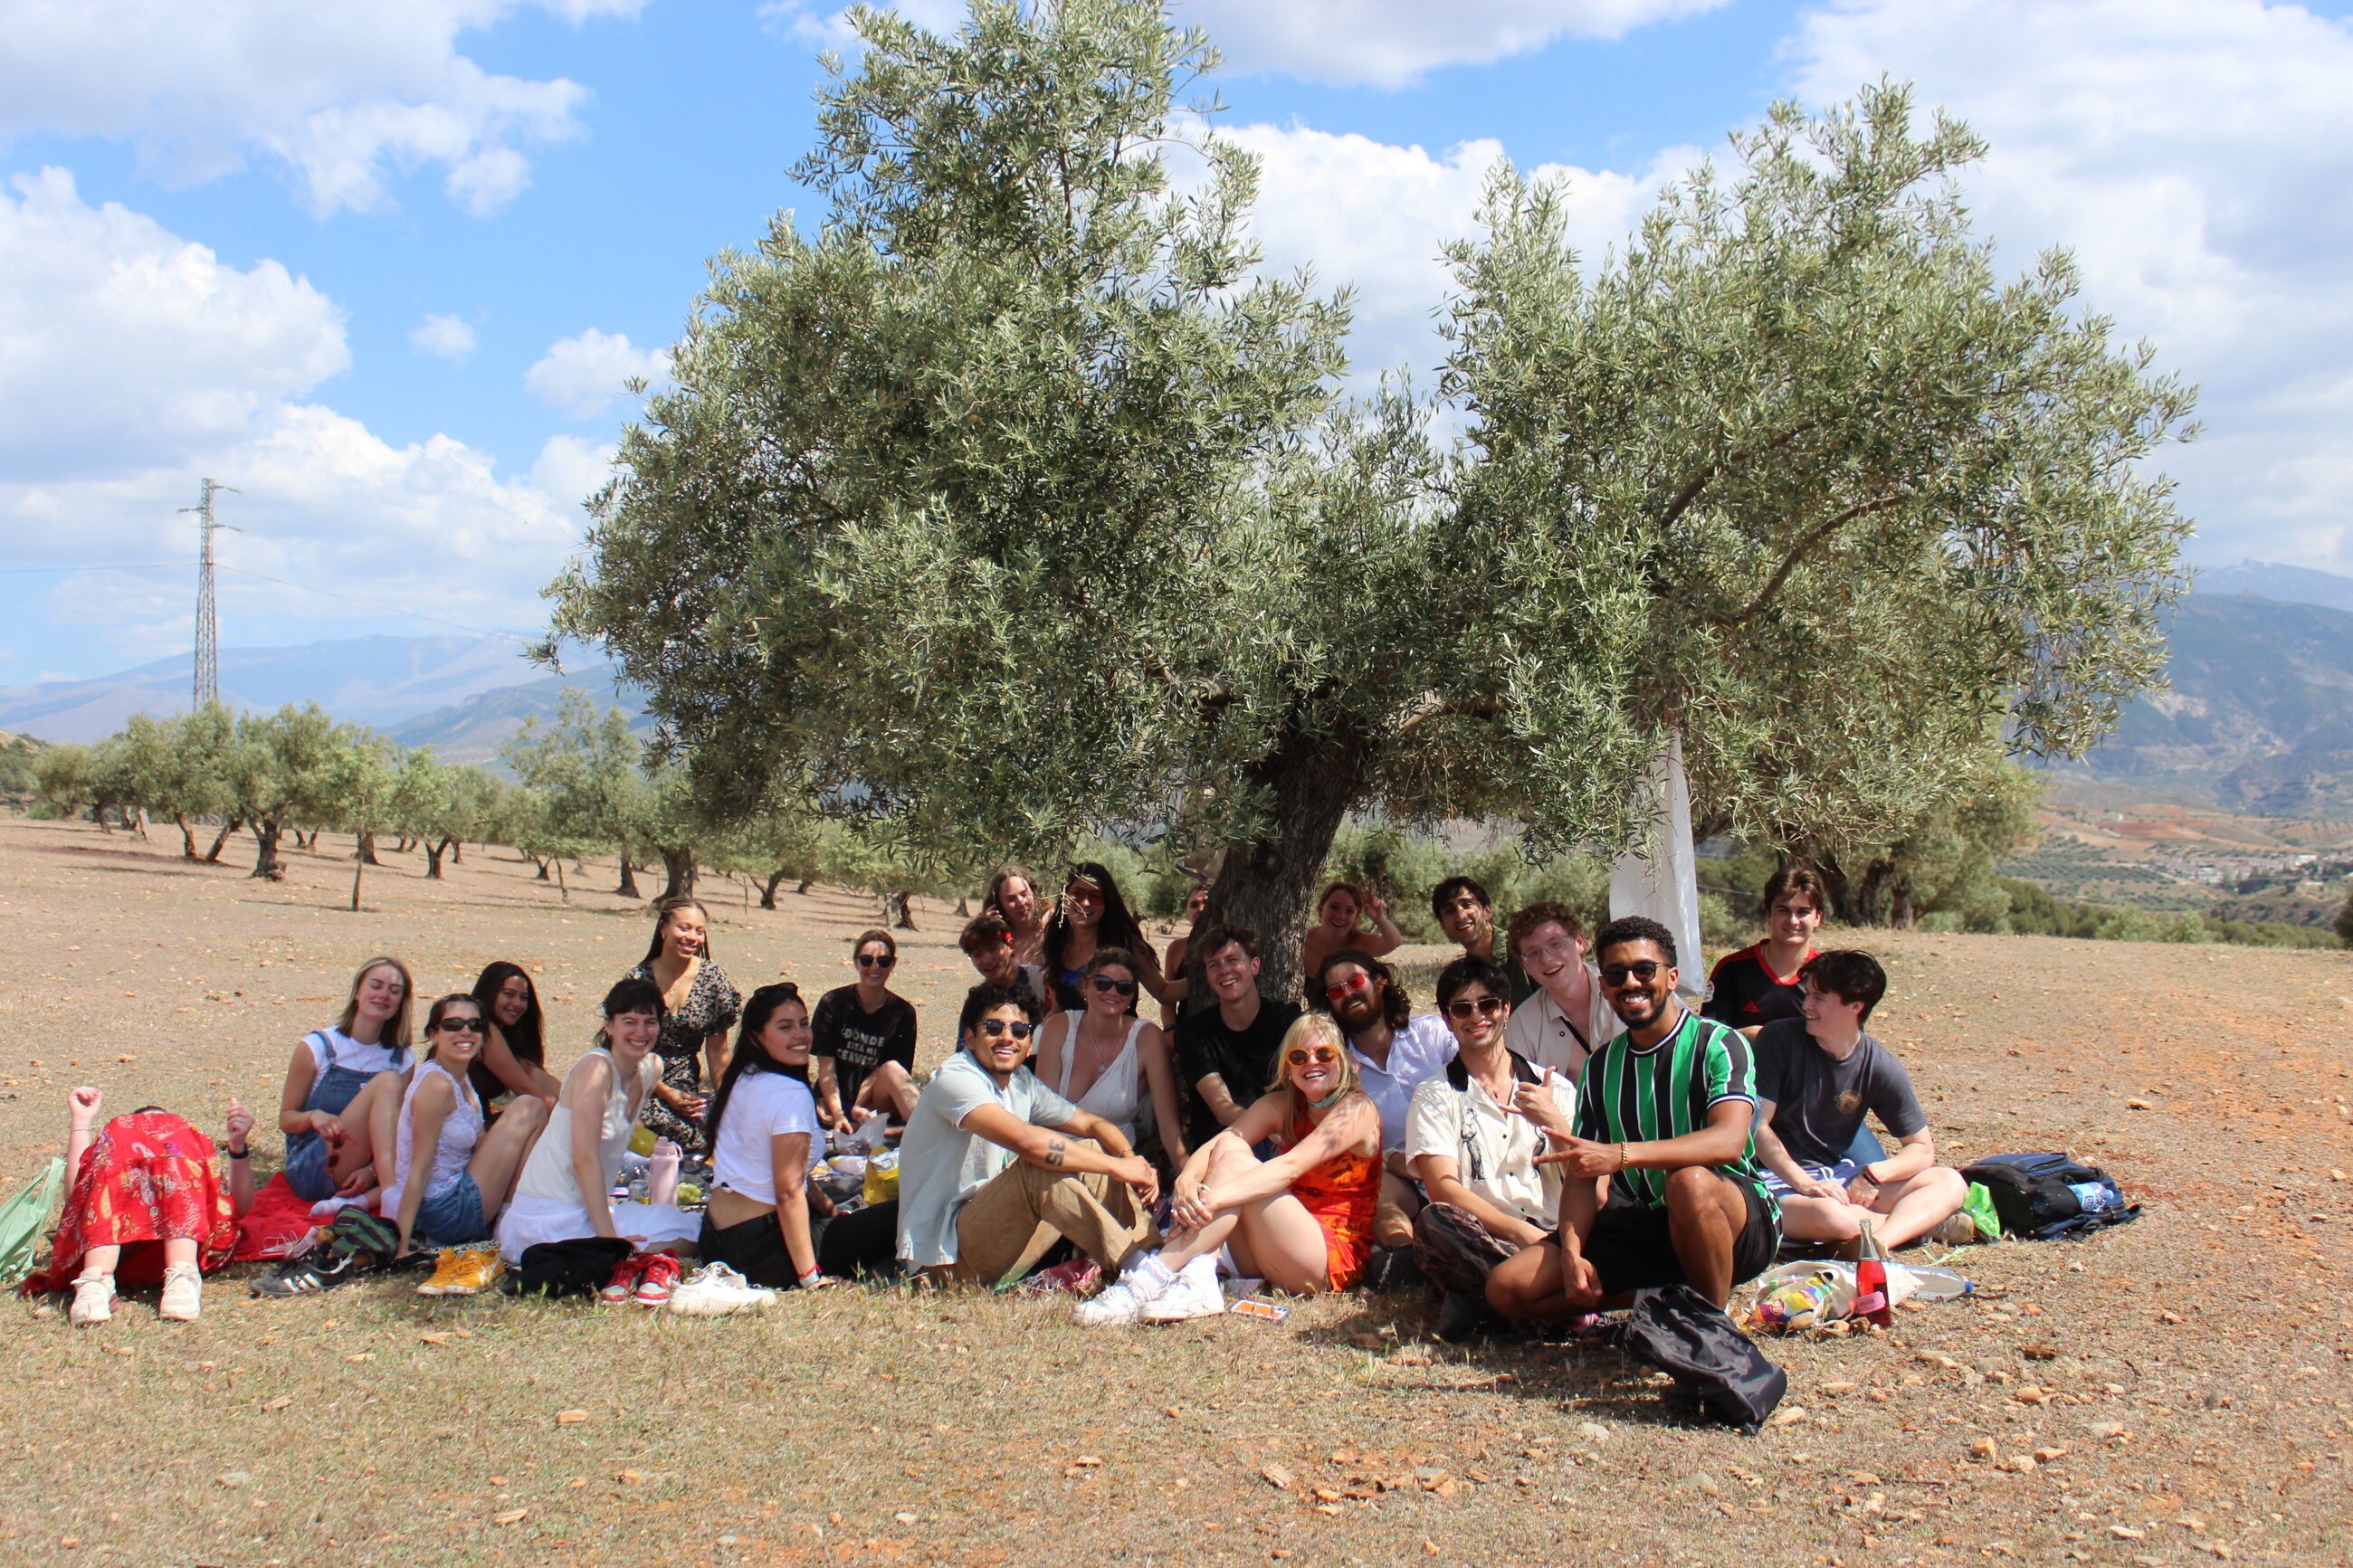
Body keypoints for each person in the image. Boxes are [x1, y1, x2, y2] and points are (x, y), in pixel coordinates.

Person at [1486, 917, 1780, 1321]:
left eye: (1644, 970)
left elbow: (1728, 1141)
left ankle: (1711, 1327)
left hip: (1733, 1217)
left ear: (1672, 977)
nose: (1631, 982)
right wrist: (1572, 1252)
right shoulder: (1603, 1065)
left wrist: (1621, 1155)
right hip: (1645, 1221)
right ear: (1603, 986)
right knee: (1507, 1289)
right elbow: (1582, 1172)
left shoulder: (1719, 1043)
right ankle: (1659, 1297)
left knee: (1689, 1183)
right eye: (1616, 973)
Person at [1076, 1014, 1383, 1325]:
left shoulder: (1357, 1109)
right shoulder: (1283, 1105)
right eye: (1299, 1056)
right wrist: (1186, 1183)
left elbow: (1290, 1167)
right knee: (1230, 1148)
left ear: (1342, 1061)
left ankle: (1146, 1281)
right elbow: (1219, 1144)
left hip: (1324, 1258)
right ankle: (1200, 1274)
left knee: (1236, 1163)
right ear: (1288, 1067)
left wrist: (1210, 1201)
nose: (1311, 1063)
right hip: (1276, 1246)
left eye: (1324, 1054)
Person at [894, 980, 1160, 1287]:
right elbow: (1027, 1143)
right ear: (969, 1037)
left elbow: (1094, 1125)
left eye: (1019, 1031)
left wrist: (1129, 1159)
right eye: (994, 1028)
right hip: (944, 1260)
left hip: (998, 1235)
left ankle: (1153, 1254)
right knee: (1038, 1166)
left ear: (1030, 1044)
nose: (1007, 1038)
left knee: (1090, 1148)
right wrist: (1119, 1166)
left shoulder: (1021, 1083)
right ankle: (1138, 1272)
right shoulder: (955, 1080)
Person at [1407, 956, 1578, 1340]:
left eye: (1487, 1005)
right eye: (1462, 1008)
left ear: (1506, 1009)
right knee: (1435, 1223)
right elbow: (1442, 1188)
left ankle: (1493, 1306)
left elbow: (1585, 1179)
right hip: (1485, 1238)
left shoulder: (1555, 1088)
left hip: (1555, 1234)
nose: (1476, 1017)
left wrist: (1553, 1123)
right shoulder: (1435, 1095)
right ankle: (1557, 1308)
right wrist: (1517, 1233)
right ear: (1447, 1018)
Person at [496, 978, 700, 1300]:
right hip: (547, 1217)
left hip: (589, 1208)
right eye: (629, 1022)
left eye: (650, 1023)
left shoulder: (651, 1069)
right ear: (609, 1025)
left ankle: (631, 1255)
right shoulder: (596, 1069)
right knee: (672, 1235)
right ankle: (623, 1257)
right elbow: (585, 1158)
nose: (640, 1032)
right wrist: (608, 1238)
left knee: (694, 1229)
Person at [1753, 951, 1969, 1249]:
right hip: (1775, 1176)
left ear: (1855, 1005)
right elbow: (1758, 1127)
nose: (1806, 1005)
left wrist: (1875, 1173)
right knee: (1832, 1216)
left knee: (1950, 1182)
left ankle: (1876, 1244)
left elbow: (1921, 1149)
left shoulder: (1878, 1064)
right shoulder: (1778, 1039)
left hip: (1838, 1177)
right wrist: (1804, 1183)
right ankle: (1916, 1224)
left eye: (1819, 998)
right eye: (1807, 995)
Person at [35, 1088, 255, 1326]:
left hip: (174, 1250)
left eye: (160, 1120)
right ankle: (97, 1280)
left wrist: (237, 1145)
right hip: (116, 1253)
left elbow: (234, 1210)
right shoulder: (117, 1156)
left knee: (175, 1149)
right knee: (120, 1146)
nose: (150, 1129)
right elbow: (77, 1197)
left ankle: (180, 1275)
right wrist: (81, 1121)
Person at [382, 994, 550, 1295]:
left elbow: (482, 1146)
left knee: (529, 1113)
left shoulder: (460, 1078)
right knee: (530, 1107)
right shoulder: (437, 1085)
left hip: (458, 1194)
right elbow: (417, 1169)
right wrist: (402, 1245)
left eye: (475, 1025)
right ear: (433, 1034)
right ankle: (509, 1224)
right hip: (445, 1212)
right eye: (453, 1024)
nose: (466, 1032)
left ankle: (511, 1219)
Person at [1315, 949, 1456, 1251]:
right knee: (1373, 1192)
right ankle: (1404, 1257)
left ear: (1380, 982)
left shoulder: (1432, 1034)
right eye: (1337, 991)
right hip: (1402, 1178)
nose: (1348, 994)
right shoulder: (1336, 1071)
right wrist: (1394, 1160)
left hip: (1460, 1162)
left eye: (1355, 981)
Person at [699, 983, 837, 1288]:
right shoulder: (790, 1093)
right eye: (785, 1027)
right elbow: (788, 1190)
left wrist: (833, 1212)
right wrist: (809, 1276)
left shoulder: (741, 1077)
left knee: (844, 1225)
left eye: (804, 1023)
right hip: (763, 1250)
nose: (800, 1035)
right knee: (890, 1220)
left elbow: (792, 1171)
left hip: (713, 1240)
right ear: (756, 1037)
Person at [273, 955, 415, 1205]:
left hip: (367, 1172)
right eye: (376, 985)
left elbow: (399, 1129)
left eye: (394, 991)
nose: (384, 995)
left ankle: (382, 1190)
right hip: (312, 1167)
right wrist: (313, 1116)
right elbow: (286, 1120)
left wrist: (372, 1171)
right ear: (357, 993)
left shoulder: (403, 1058)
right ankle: (391, 1195)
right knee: (388, 1083)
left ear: (400, 1003)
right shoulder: (318, 1047)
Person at [1033, 948, 1186, 1171]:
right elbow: (1043, 1113)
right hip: (1057, 1157)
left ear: (1132, 996)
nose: (1112, 992)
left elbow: (1169, 1127)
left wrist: (1187, 1178)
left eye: (1123, 988)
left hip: (1115, 1164)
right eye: (1102, 983)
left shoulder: (1147, 1039)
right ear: (1085, 985)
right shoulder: (1059, 1027)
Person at [623, 896, 742, 1155]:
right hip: (636, 1078)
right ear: (663, 928)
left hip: (684, 1085)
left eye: (699, 931)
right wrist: (665, 1093)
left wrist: (725, 1105)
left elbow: (718, 1053)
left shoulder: (712, 978)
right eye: (684, 928)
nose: (692, 937)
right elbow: (624, 1052)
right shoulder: (638, 980)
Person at [1171, 923, 1300, 1156]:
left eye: (1232, 960)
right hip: (1227, 1145)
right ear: (1208, 976)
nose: (1224, 971)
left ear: (1254, 966)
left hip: (1283, 1142)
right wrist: (1264, 1127)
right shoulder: (1194, 1032)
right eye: (1214, 965)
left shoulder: (1287, 1021)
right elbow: (1222, 1107)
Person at [811, 929, 919, 1130]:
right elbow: (826, 1067)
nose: (875, 967)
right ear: (856, 962)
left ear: (892, 965)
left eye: (883, 961)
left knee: (893, 1069)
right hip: (834, 1099)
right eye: (866, 960)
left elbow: (885, 1072)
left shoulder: (903, 1013)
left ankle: (927, 1132)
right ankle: (894, 1131)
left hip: (874, 1100)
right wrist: (838, 1113)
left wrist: (858, 1106)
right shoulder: (833, 1003)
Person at [1041, 861, 1176, 1014]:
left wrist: (1204, 975)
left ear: (1107, 903)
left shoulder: (1125, 942)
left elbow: (1164, 993)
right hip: (1070, 1037)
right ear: (1064, 897)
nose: (1085, 903)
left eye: (1096, 897)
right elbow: (1057, 1010)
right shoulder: (1056, 944)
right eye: (1077, 894)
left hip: (1120, 1037)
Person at [1704, 867, 1826, 1035]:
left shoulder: (1830, 975)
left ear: (1818, 917)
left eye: (1803, 912)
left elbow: (1846, 1043)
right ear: (1768, 913)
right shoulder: (1732, 969)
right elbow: (1709, 1039)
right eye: (1783, 910)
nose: (1793, 921)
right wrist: (1753, 1036)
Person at [1504, 902, 1615, 1083]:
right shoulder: (1522, 1027)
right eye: (1533, 953)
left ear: (1580, 942)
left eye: (1555, 944)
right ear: (1525, 967)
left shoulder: (1627, 990)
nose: (1547, 959)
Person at [468, 960, 558, 1113]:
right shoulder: (482, 1030)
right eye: (508, 994)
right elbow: (525, 1088)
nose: (517, 1003)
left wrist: (578, 1104)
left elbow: (536, 1076)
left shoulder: (507, 1038)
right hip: (459, 1133)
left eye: (523, 998)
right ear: (490, 993)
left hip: (477, 1126)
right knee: (533, 1110)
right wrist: (575, 1119)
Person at [1431, 876, 1535, 1003]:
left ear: (1487, 911)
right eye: (1450, 910)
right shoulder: (1465, 973)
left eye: (1467, 905)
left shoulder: (1523, 949)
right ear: (1442, 924)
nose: (1460, 916)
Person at [1300, 880, 1403, 993]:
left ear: (1356, 916)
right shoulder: (1302, 941)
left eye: (1349, 911)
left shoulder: (1359, 943)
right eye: (1334, 907)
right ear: (1321, 909)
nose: (1341, 916)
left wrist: (1380, 919)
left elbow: (1394, 942)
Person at [959, 910, 1050, 1017]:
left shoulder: (1043, 982)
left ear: (1010, 946)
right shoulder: (977, 1002)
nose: (987, 960)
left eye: (993, 949)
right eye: (977, 955)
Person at [1159, 882, 1213, 1027]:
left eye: (1206, 903)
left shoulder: (1232, 944)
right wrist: (1169, 1031)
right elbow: (1167, 1000)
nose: (1200, 909)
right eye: (1194, 905)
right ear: (1186, 912)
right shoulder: (1176, 949)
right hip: (1186, 1032)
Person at [984, 864, 1048, 969]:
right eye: (1011, 899)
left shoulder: (1053, 926)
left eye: (1024, 894)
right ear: (999, 904)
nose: (1021, 903)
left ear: (1034, 893)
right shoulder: (1000, 938)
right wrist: (985, 930)